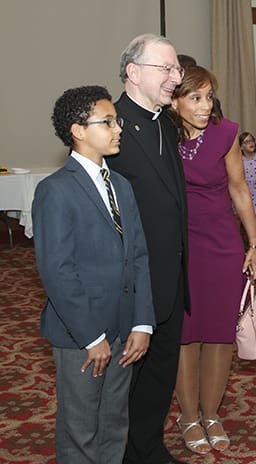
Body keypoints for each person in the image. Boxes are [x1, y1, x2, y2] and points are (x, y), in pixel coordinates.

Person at [34, 85, 155, 463]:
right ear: (78, 130)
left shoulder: (120, 185)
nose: (118, 129)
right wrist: (91, 337)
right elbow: (57, 272)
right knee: (80, 428)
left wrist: (142, 323)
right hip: (80, 335)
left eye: (116, 121)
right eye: (107, 122)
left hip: (122, 328)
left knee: (113, 423)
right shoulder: (55, 190)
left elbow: (138, 256)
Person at [169, 65, 256, 455]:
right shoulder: (161, 135)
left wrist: (254, 243)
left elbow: (239, 188)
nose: (206, 106)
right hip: (177, 245)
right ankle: (188, 415)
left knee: (221, 332)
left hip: (222, 243)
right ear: (174, 101)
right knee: (185, 334)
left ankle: (211, 413)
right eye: (196, 98)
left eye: (209, 97)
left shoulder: (225, 133)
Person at [108, 33, 188, 464]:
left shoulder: (164, 123)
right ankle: (120, 451)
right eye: (167, 69)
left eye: (176, 69)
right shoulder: (111, 125)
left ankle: (147, 446)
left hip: (171, 273)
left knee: (160, 371)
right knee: (127, 377)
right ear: (134, 73)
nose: (176, 78)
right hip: (132, 280)